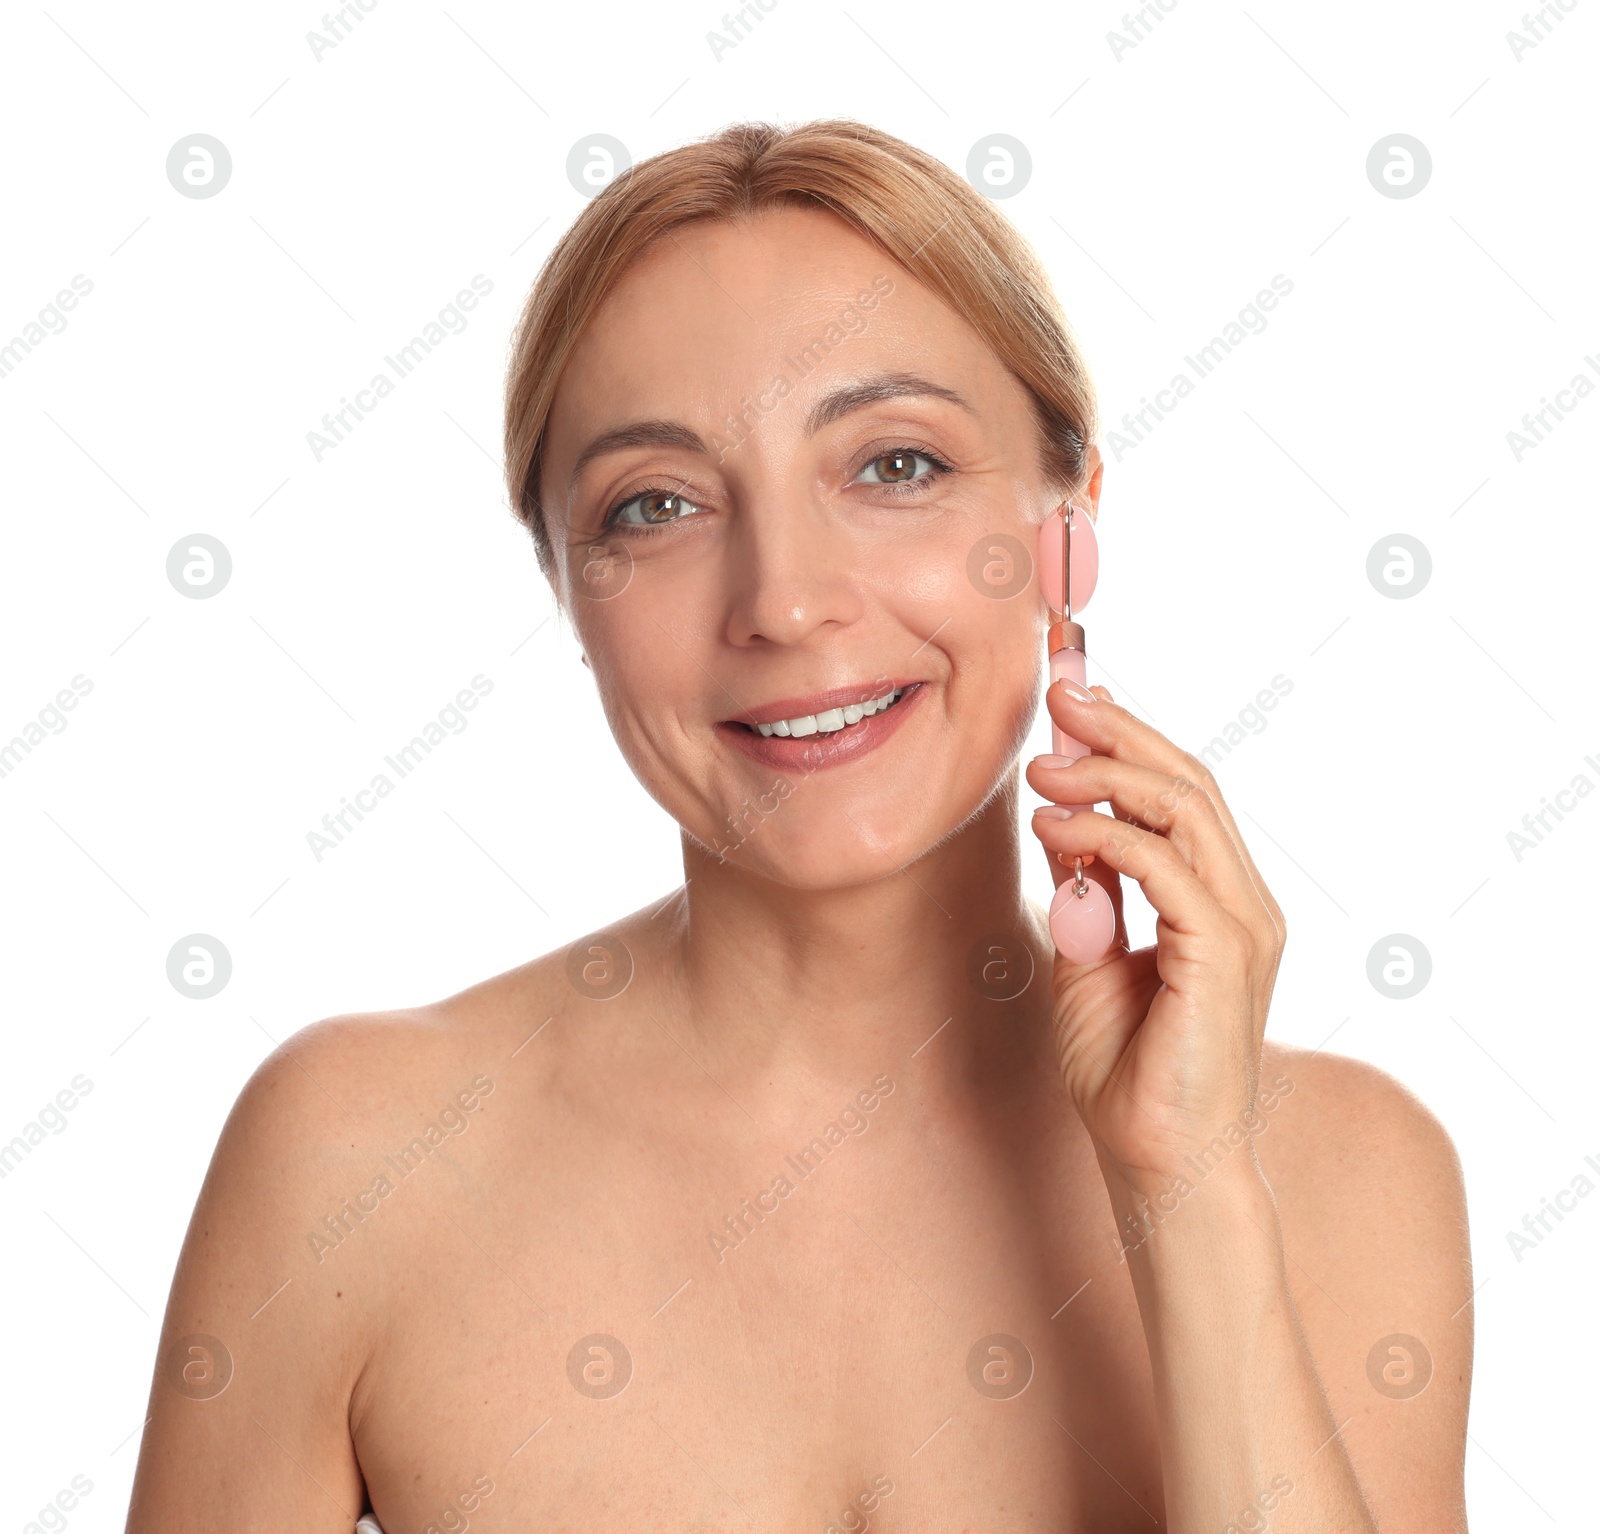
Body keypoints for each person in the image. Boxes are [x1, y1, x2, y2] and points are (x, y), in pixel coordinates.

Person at [127, 119, 1471, 1533]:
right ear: (570, 593)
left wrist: (1186, 1185)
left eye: (893, 465)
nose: (784, 597)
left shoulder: (1343, 1172)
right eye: (655, 503)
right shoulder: (352, 1162)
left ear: (1069, 525)